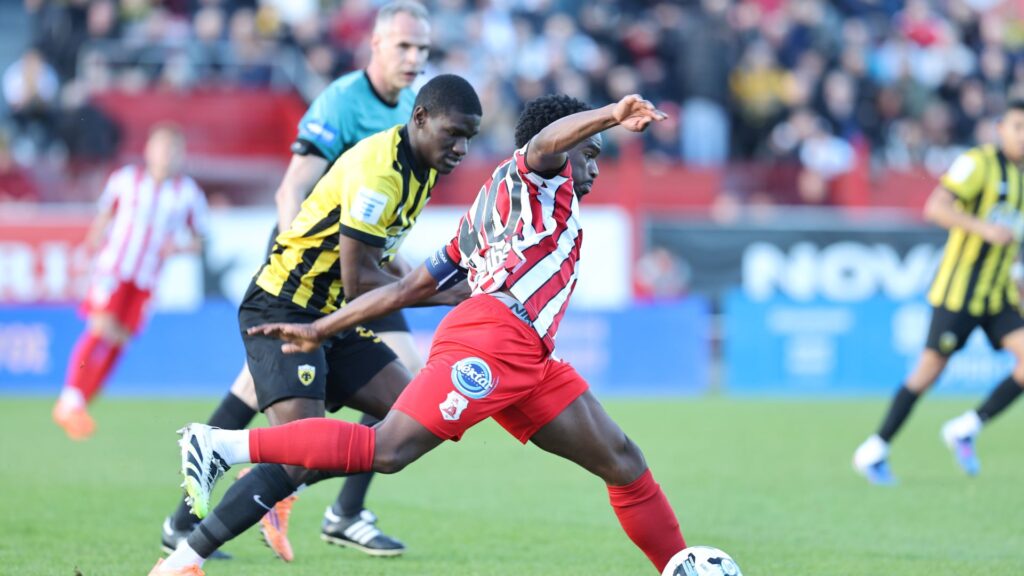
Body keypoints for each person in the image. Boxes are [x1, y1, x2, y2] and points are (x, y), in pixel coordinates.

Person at [173, 93, 687, 576]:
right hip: (494, 339)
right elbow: (543, 143)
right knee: (388, 450)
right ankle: (224, 446)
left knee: (623, 460)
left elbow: (406, 289)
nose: (595, 167)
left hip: (529, 355)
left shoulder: (491, 214)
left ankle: (680, 564)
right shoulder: (535, 176)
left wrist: (322, 329)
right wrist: (612, 113)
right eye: (589, 153)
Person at [148, 74, 482, 576]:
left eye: (468, 138)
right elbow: (359, 280)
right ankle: (181, 561)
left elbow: (382, 254)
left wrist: (436, 280)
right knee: (298, 453)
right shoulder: (380, 170)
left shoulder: (424, 166)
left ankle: (273, 481)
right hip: (284, 310)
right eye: (453, 134)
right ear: (419, 118)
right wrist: (451, 292)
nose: (460, 149)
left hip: (330, 318)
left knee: (414, 422)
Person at [853, 99, 1024, 485]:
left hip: (997, 295)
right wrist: (983, 229)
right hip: (958, 293)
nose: (1023, 136)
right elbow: (936, 207)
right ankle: (874, 448)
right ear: (1001, 129)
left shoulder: (1022, 179)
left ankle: (966, 427)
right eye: (1018, 127)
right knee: (929, 370)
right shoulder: (978, 164)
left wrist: (1017, 280)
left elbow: (1013, 239)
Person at [52, 124, 207, 439]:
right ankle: (69, 399)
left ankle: (80, 404)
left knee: (120, 338)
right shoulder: (125, 180)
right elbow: (104, 218)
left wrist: (177, 248)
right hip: (115, 268)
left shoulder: (188, 193)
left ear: (181, 155)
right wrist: (91, 249)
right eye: (161, 147)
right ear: (148, 150)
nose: (166, 155)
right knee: (100, 327)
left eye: (172, 149)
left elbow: (199, 240)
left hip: (147, 277)